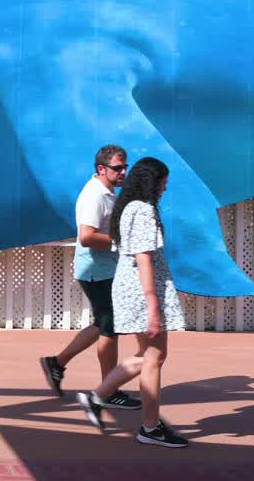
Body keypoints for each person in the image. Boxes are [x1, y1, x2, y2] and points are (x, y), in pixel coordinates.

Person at [77, 157, 189, 448]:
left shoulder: (127, 208)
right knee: (154, 357)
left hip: (130, 287)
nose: (165, 188)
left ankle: (96, 396)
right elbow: (142, 256)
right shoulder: (143, 210)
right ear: (152, 182)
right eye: (163, 182)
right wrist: (152, 304)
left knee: (147, 354)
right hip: (142, 290)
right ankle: (150, 427)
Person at [39, 145, 141, 410]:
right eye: (118, 168)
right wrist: (120, 241)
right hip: (97, 270)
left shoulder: (107, 192)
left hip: (104, 268)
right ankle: (108, 390)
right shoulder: (95, 195)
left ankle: (57, 363)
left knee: (103, 324)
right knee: (110, 327)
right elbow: (86, 236)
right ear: (101, 169)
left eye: (125, 167)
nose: (123, 172)